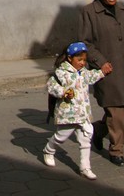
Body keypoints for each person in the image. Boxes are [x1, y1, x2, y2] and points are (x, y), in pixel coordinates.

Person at [78, 0, 124, 166]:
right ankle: (116, 151)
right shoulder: (89, 12)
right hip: (106, 71)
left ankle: (97, 131)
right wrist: (100, 62)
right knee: (116, 111)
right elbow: (85, 42)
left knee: (121, 110)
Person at [43, 41, 111, 180]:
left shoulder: (83, 72)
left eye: (84, 60)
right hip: (68, 114)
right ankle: (49, 150)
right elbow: (51, 86)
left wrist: (102, 72)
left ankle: (85, 167)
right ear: (70, 58)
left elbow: (91, 77)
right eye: (79, 59)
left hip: (83, 113)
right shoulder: (61, 72)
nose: (82, 62)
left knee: (86, 137)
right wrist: (63, 92)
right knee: (61, 136)